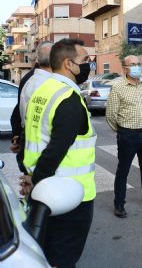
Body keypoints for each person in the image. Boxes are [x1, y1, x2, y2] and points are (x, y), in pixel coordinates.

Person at [20, 38, 96, 268]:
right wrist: (35, 180)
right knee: (63, 257)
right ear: (68, 64)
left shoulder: (42, 90)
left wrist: (33, 178)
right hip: (69, 194)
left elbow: (30, 134)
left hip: (43, 189)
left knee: (45, 252)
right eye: (84, 60)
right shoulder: (68, 99)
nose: (88, 65)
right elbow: (55, 150)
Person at [106, 55, 142, 218]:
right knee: (123, 170)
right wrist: (122, 131)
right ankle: (119, 204)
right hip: (127, 134)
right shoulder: (118, 87)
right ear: (125, 68)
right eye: (132, 64)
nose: (136, 67)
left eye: (138, 64)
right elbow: (111, 114)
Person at [13, 41, 54, 174]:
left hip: (30, 147)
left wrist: (17, 137)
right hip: (43, 149)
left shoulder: (28, 79)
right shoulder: (52, 83)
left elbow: (18, 111)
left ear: (37, 58)